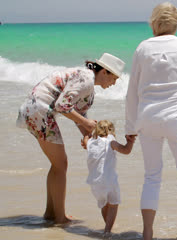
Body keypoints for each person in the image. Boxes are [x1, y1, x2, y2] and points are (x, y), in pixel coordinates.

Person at [125, 2, 177, 240]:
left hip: (148, 116)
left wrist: (130, 128)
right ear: (175, 23)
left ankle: (148, 233)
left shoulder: (143, 48)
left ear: (154, 23)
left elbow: (131, 92)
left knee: (152, 176)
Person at [16, 53, 125, 224]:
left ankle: (51, 214)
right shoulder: (86, 80)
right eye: (114, 78)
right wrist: (86, 123)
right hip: (40, 110)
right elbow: (62, 106)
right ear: (104, 72)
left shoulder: (88, 84)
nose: (114, 83)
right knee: (61, 164)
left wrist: (89, 137)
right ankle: (60, 218)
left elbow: (78, 113)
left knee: (58, 164)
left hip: (38, 110)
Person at [82, 120, 136, 233]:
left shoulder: (90, 142)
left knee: (104, 204)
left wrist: (87, 134)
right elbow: (126, 151)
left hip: (94, 182)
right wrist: (130, 141)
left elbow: (85, 139)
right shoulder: (110, 141)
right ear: (110, 131)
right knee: (113, 203)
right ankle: (107, 231)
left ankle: (108, 227)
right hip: (108, 179)